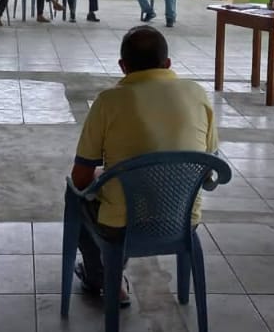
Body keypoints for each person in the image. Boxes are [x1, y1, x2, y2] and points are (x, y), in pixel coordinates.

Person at [70, 26, 217, 307]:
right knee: (115, 188)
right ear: (168, 63)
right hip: (183, 220)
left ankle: (104, 278)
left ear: (123, 66)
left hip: (123, 225)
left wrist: (103, 177)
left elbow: (80, 179)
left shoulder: (108, 102)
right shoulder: (197, 94)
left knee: (76, 198)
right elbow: (208, 168)